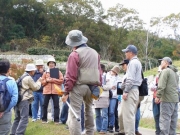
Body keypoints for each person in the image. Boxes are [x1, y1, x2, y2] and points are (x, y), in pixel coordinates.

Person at [62, 30, 101, 135]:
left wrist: (66, 92)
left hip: (78, 87)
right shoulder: (95, 53)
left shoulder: (74, 55)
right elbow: (99, 72)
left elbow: (71, 76)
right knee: (89, 111)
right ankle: (90, 133)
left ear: (73, 44)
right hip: (92, 87)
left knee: (75, 114)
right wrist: (98, 86)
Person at [117, 45, 142, 135]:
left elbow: (130, 79)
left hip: (131, 90)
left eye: (126, 52)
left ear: (131, 52)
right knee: (125, 115)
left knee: (128, 116)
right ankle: (124, 132)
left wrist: (126, 91)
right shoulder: (137, 62)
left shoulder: (132, 63)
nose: (125, 53)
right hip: (134, 90)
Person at [11, 63, 42, 135]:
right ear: (31, 71)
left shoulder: (22, 76)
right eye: (33, 70)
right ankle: (19, 133)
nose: (34, 72)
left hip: (18, 99)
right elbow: (35, 87)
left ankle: (13, 133)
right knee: (24, 119)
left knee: (17, 118)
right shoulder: (28, 78)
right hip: (24, 100)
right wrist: (39, 81)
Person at [155, 57, 179, 135]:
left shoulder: (165, 71)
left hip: (167, 100)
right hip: (175, 100)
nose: (160, 63)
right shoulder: (175, 73)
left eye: (161, 62)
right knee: (173, 124)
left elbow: (161, 85)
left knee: (165, 122)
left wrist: (158, 96)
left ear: (165, 62)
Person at [41, 57, 64, 124]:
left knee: (56, 105)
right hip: (46, 91)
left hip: (55, 91)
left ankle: (56, 120)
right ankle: (44, 119)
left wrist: (53, 79)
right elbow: (42, 82)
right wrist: (47, 80)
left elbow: (61, 80)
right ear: (48, 64)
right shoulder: (45, 73)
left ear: (54, 64)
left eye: (52, 63)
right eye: (50, 63)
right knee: (44, 105)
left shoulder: (58, 72)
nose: (51, 64)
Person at [0, 59, 18, 135]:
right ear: (8, 70)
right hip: (5, 113)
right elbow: (14, 99)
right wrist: (4, 110)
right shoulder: (11, 81)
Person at [94, 64, 109, 134]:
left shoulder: (107, 76)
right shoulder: (95, 76)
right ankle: (98, 128)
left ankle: (103, 129)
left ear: (102, 69)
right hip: (96, 96)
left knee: (104, 115)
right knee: (97, 114)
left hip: (104, 96)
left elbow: (109, 86)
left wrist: (101, 86)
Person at [106, 66, 121, 133]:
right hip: (106, 96)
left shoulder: (118, 78)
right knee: (106, 112)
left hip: (114, 96)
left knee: (112, 111)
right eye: (113, 71)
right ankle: (107, 126)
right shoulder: (106, 76)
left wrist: (119, 98)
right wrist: (110, 87)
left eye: (115, 72)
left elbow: (119, 88)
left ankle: (112, 126)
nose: (113, 73)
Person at [149, 66, 162, 135]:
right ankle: (158, 131)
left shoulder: (165, 79)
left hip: (163, 100)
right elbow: (151, 87)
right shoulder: (156, 78)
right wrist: (156, 87)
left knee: (162, 116)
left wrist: (156, 87)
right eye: (159, 72)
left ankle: (161, 131)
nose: (159, 73)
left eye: (160, 71)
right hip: (155, 98)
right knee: (156, 115)